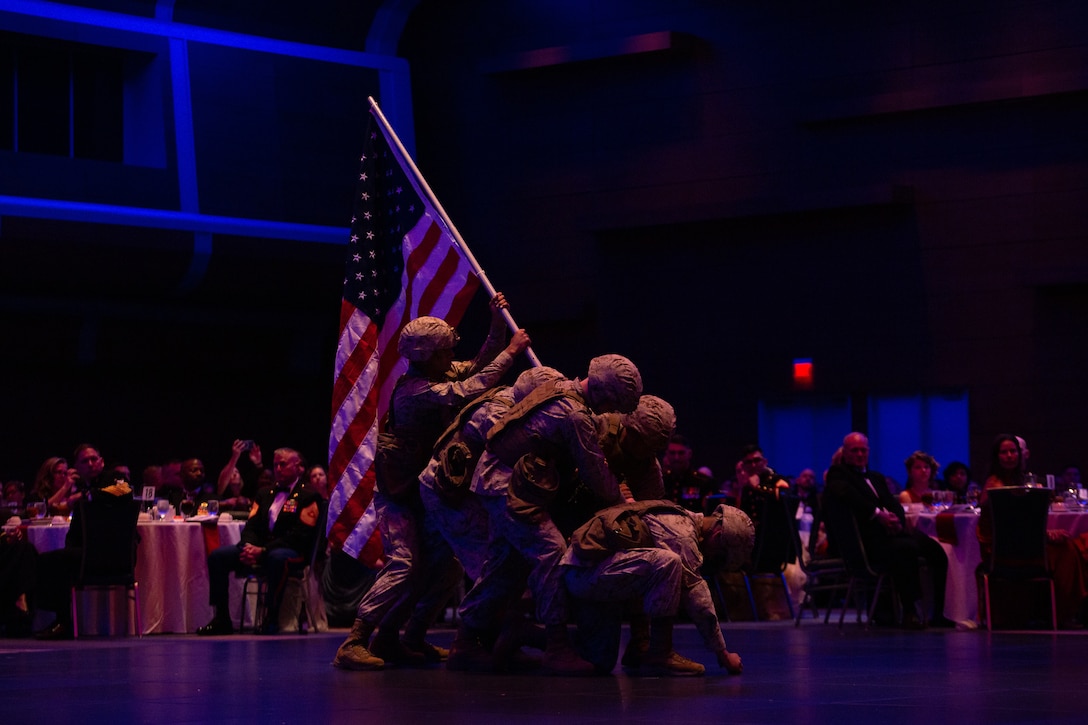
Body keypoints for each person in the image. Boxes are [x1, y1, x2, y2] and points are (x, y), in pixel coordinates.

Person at [333, 295, 531, 671]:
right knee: (405, 564)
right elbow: (468, 389)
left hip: (425, 491)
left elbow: (477, 366)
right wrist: (512, 351)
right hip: (397, 493)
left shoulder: (439, 372)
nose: (450, 356)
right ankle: (355, 639)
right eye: (444, 351)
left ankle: (403, 637)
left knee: (444, 565)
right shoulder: (416, 391)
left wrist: (496, 323)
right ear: (427, 356)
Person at [446, 354, 642, 676]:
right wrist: (625, 502)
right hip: (506, 485)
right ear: (607, 395)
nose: (611, 412)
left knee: (503, 565)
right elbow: (595, 472)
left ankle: (465, 642)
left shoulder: (561, 392)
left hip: (504, 482)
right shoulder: (574, 413)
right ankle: (556, 646)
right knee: (550, 552)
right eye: (614, 405)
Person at [561, 501, 751, 676]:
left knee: (601, 661)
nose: (715, 559)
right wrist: (723, 654)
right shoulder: (681, 531)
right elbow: (696, 594)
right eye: (720, 555)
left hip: (589, 573)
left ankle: (536, 637)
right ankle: (660, 652)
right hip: (585, 574)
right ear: (717, 537)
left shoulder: (680, 519)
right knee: (668, 562)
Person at [823, 432, 951, 628]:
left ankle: (940, 612)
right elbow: (849, 496)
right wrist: (878, 515)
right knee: (905, 549)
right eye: (854, 450)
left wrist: (896, 520)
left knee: (937, 551)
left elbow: (895, 505)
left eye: (863, 450)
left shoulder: (876, 477)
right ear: (845, 453)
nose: (859, 454)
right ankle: (910, 610)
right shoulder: (838, 474)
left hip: (892, 533)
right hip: (867, 541)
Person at [197, 447, 322, 635]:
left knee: (277, 558)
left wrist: (262, 550)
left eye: (283, 464)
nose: (278, 469)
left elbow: (298, 536)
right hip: (261, 549)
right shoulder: (265, 493)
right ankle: (222, 618)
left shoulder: (309, 496)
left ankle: (271, 618)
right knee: (218, 557)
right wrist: (248, 546)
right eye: (275, 465)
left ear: (298, 467)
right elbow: (252, 526)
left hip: (292, 552)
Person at [977, 434, 1087, 627]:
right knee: (1069, 550)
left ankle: (1063, 612)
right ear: (997, 456)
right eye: (1004, 452)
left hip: (1024, 544)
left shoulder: (1020, 480)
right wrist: (1046, 536)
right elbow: (1008, 527)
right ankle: (1062, 614)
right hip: (1004, 551)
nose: (1010, 456)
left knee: (1076, 545)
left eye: (1013, 451)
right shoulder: (994, 485)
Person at [34, 445, 133, 639]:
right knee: (52, 560)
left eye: (94, 459)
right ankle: (61, 619)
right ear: (76, 468)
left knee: (50, 561)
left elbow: (126, 490)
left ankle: (62, 622)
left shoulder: (112, 479)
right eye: (84, 461)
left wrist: (88, 496)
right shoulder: (85, 488)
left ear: (102, 462)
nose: (90, 464)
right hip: (90, 554)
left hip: (112, 555)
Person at [662, 435, 717, 513]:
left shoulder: (703, 482)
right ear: (667, 454)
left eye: (681, 453)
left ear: (689, 454)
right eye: (672, 453)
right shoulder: (662, 481)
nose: (676, 457)